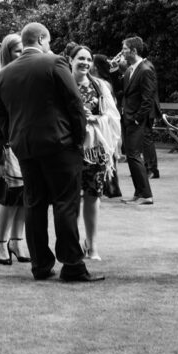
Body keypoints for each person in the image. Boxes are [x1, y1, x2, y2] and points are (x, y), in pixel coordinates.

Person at [0, 22, 101, 282]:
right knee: (65, 202)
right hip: (59, 144)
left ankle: (40, 265)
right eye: (48, 41)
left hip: (26, 148)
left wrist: (13, 140)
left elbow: (0, 113)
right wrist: (78, 137)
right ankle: (72, 265)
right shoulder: (55, 62)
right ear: (41, 39)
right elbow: (74, 102)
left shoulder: (5, 73)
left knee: (34, 204)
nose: (49, 46)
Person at [65, 43, 122, 260]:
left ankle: (92, 244)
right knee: (69, 199)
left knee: (92, 196)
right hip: (68, 149)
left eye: (88, 60)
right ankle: (72, 244)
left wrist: (94, 118)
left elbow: (113, 117)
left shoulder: (99, 86)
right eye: (81, 59)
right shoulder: (63, 84)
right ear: (70, 60)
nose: (85, 63)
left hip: (94, 151)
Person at [0, 34, 27, 265]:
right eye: (18, 50)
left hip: (23, 140)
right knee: (9, 193)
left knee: (24, 193)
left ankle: (16, 240)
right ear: (7, 51)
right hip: (1, 140)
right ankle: (0, 242)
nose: (22, 54)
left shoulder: (24, 75)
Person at [118, 36, 159, 200]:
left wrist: (136, 118)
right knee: (131, 156)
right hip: (127, 118)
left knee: (134, 155)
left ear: (134, 51)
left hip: (136, 120)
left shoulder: (145, 70)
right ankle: (138, 192)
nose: (122, 51)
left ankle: (146, 195)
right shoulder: (130, 69)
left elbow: (148, 99)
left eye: (125, 49)